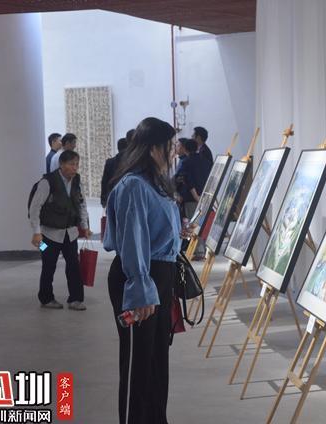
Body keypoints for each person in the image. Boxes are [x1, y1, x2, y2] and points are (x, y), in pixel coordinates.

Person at [104, 117, 188, 424]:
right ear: (153, 148)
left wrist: (177, 232)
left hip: (159, 276)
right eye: (170, 146)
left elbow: (152, 229)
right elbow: (133, 241)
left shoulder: (156, 183)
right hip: (139, 276)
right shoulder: (134, 186)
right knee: (138, 362)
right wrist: (140, 289)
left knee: (156, 359)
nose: (174, 152)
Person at [29, 150, 90, 310]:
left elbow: (81, 204)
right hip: (47, 236)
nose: (74, 168)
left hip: (70, 234)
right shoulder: (47, 182)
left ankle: (76, 299)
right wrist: (36, 232)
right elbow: (35, 208)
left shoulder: (77, 181)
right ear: (61, 164)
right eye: (71, 164)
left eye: (76, 164)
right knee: (48, 265)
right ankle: (46, 298)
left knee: (74, 266)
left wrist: (85, 226)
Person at [174, 138, 207, 220]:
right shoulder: (205, 161)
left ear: (185, 149)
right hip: (205, 198)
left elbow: (186, 179)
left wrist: (195, 196)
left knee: (192, 223)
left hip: (191, 198)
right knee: (201, 222)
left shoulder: (186, 162)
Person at [100, 137, 128, 208]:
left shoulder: (109, 162)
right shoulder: (129, 162)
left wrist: (103, 200)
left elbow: (104, 181)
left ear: (118, 148)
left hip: (111, 196)